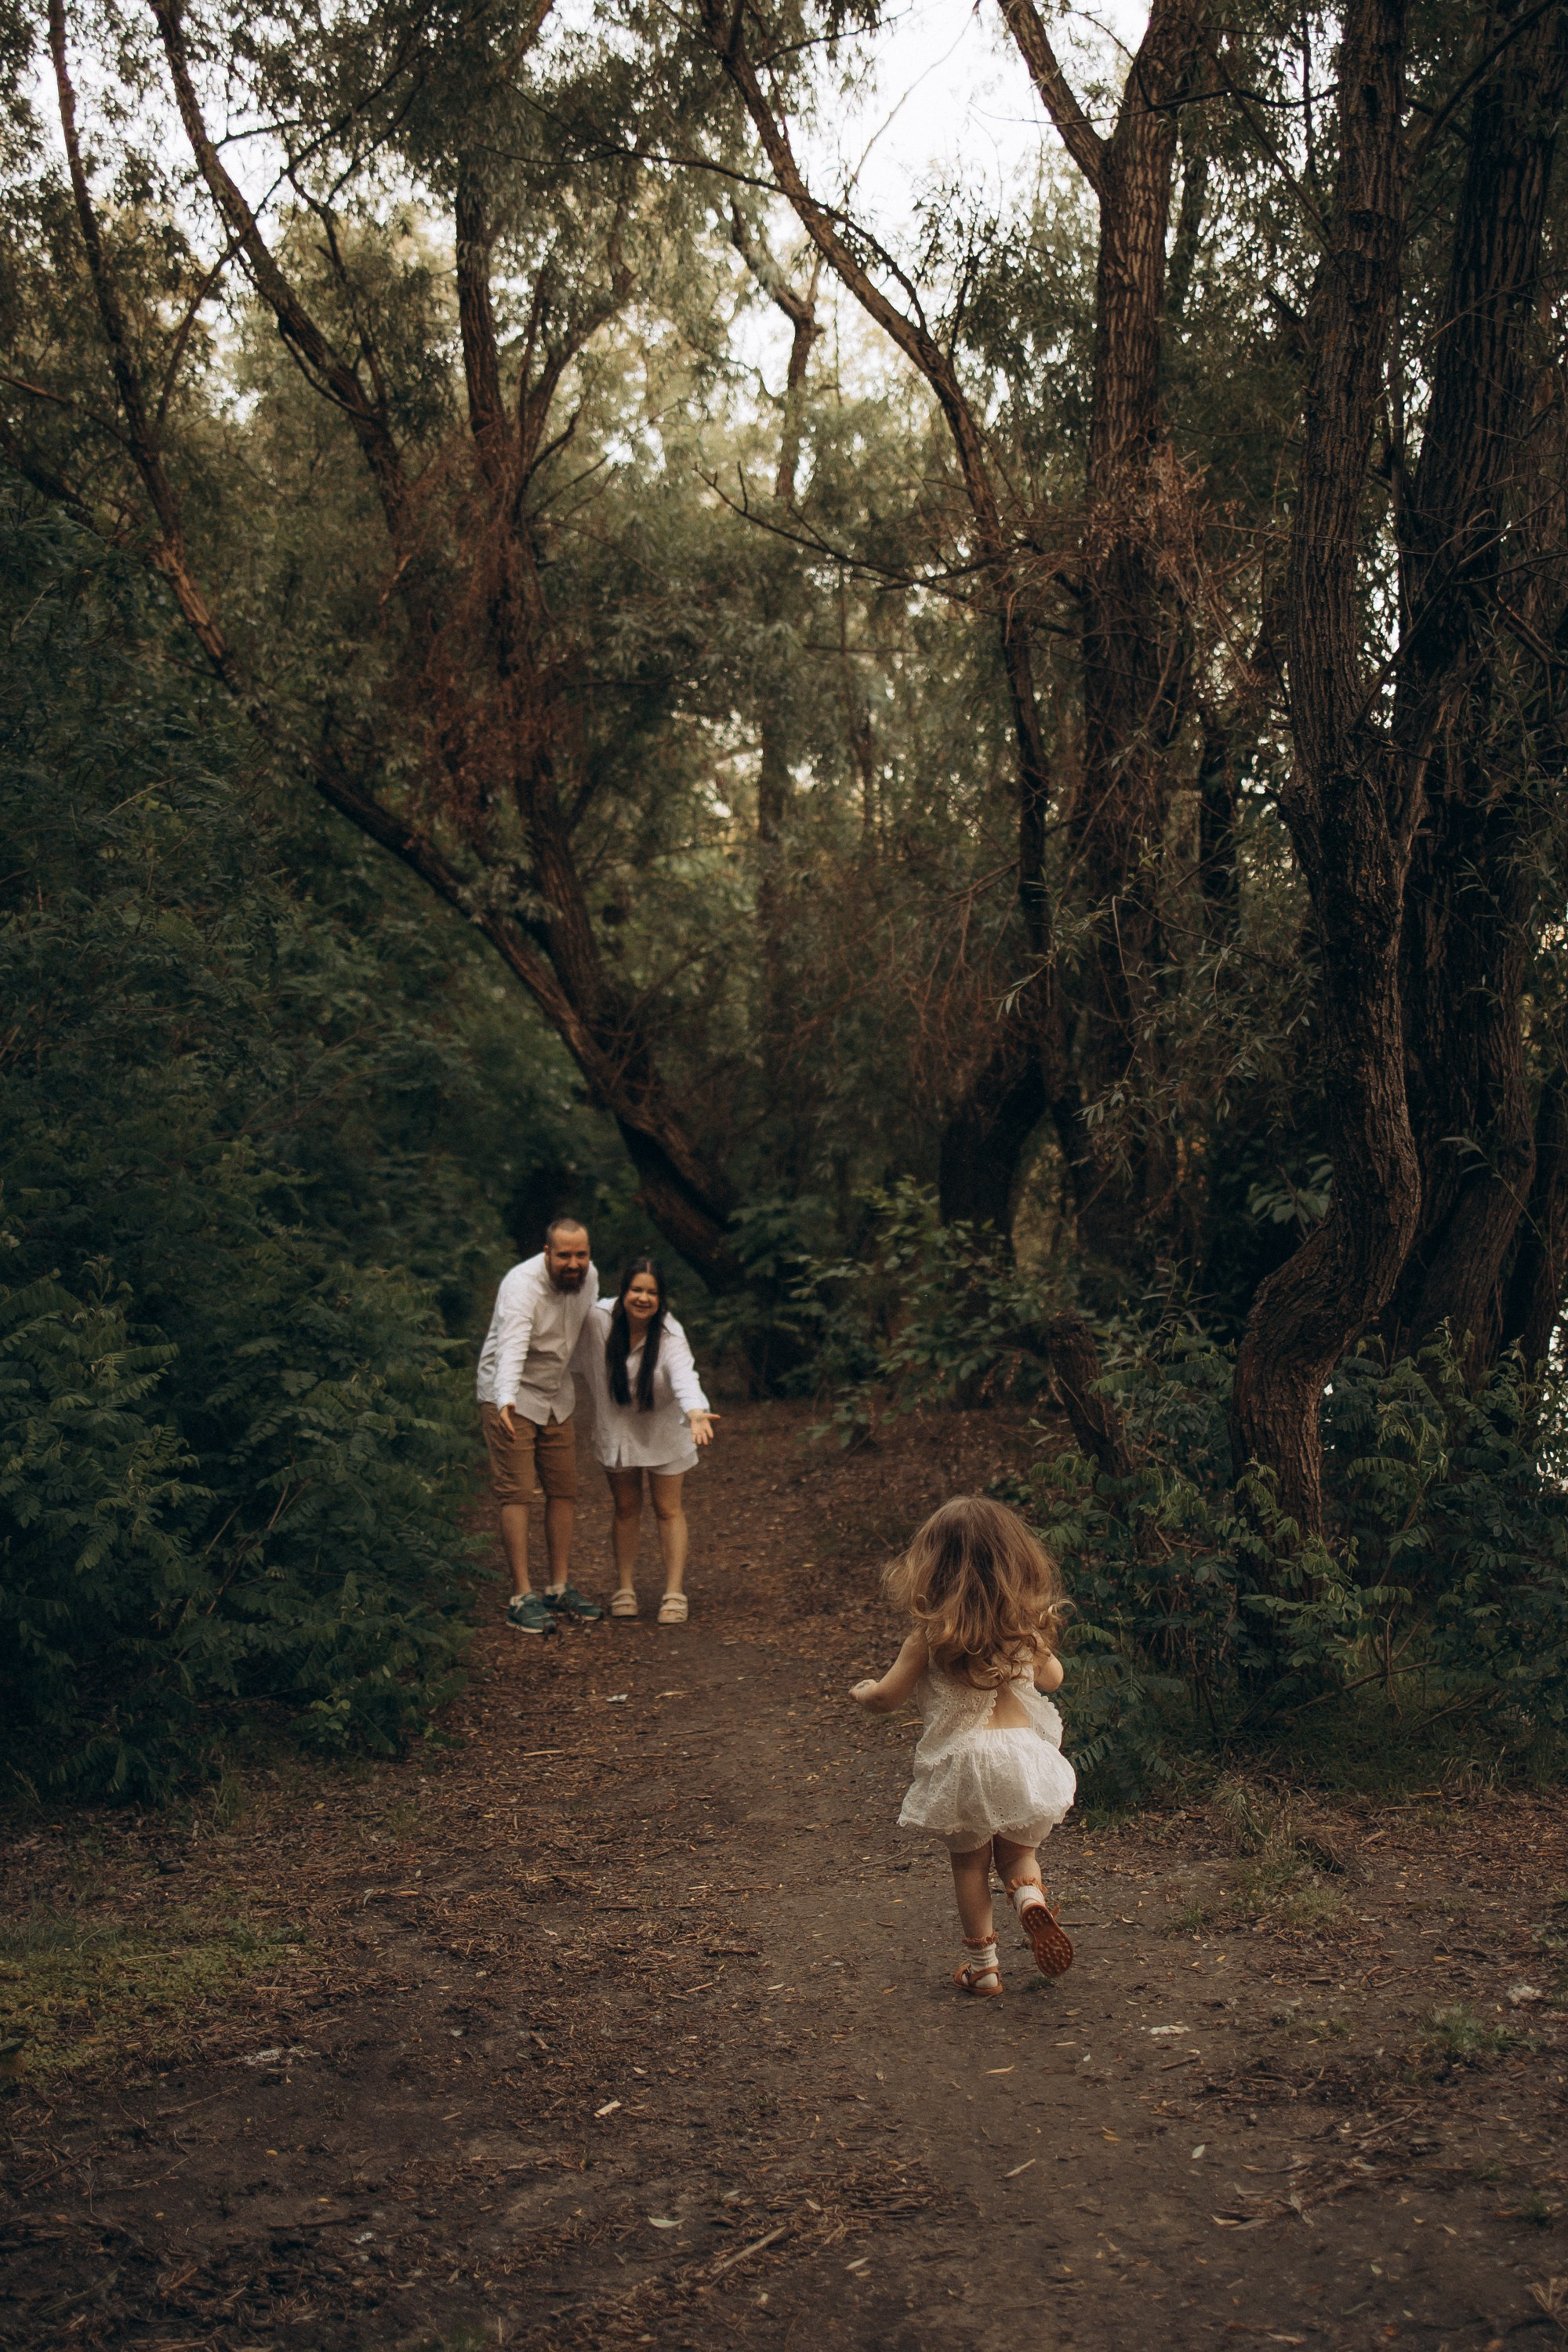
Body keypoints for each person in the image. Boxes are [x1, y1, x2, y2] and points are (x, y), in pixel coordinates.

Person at [851, 1495, 1076, 1996]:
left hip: (966, 1762)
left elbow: (887, 1698)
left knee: (970, 1866)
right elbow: (1055, 1681)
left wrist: (864, 1693)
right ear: (1017, 1562)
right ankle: (1029, 1899)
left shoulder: (930, 1637)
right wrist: (1035, 1647)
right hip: (1024, 1757)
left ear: (932, 1567)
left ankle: (985, 1967)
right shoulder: (1025, 1631)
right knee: (1018, 1857)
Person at [475, 1218, 604, 1635]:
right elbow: (511, 1346)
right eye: (564, 1255)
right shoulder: (521, 1286)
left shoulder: (589, 1279)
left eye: (581, 1255)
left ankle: (558, 1587)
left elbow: (589, 1334)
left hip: (555, 1394)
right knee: (517, 1492)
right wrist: (506, 1400)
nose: (573, 1263)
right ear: (547, 1252)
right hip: (508, 1396)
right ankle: (521, 1596)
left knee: (563, 1488)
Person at [573, 1258, 717, 1624]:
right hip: (617, 1430)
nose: (643, 1298)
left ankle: (674, 1591)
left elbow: (685, 1375)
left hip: (664, 1430)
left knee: (668, 1508)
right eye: (636, 1290)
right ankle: (624, 1587)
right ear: (623, 1292)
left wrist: (696, 1412)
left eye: (652, 1293)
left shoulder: (669, 1333)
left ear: (661, 1299)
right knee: (625, 1507)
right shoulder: (598, 1319)